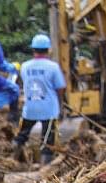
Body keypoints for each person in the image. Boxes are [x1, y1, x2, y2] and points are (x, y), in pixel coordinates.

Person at [13, 34, 66, 164]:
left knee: (21, 136)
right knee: (48, 142)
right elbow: (61, 88)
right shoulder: (53, 67)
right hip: (49, 110)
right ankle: (45, 169)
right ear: (48, 50)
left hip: (30, 108)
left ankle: (11, 160)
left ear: (33, 49)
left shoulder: (25, 66)